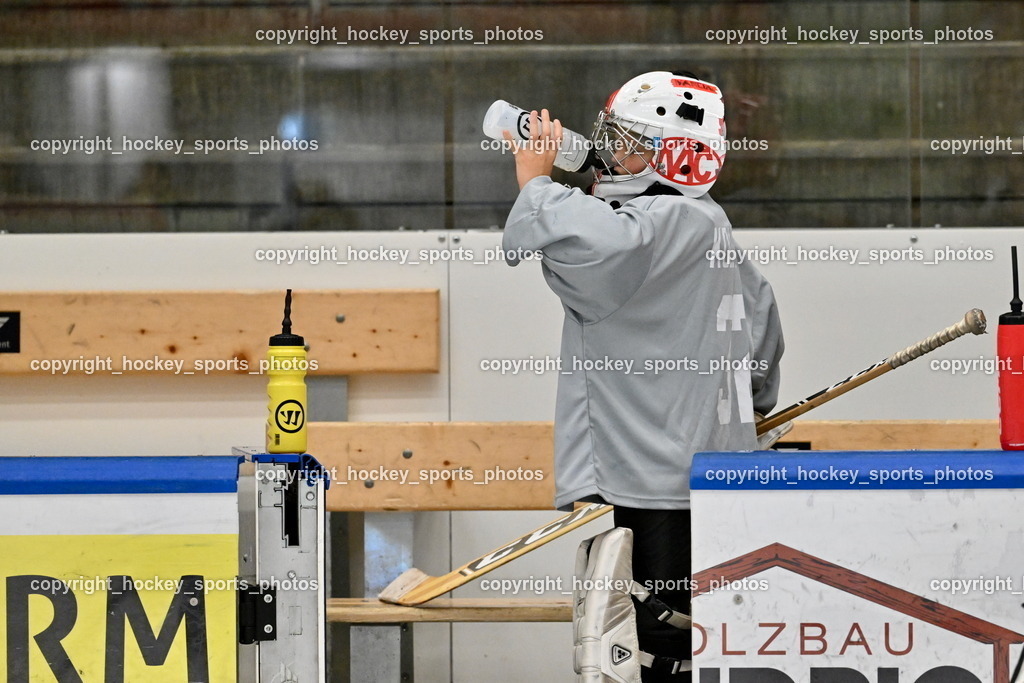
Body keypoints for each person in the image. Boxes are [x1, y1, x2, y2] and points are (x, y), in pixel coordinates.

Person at [500, 70, 785, 680]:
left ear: (674, 154)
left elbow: (598, 245)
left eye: (626, 139)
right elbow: (763, 330)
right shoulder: (711, 225)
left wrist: (535, 182)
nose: (608, 148)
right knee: (679, 633)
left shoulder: (666, 224)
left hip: (661, 481)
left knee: (662, 640)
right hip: (705, 473)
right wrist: (754, 410)